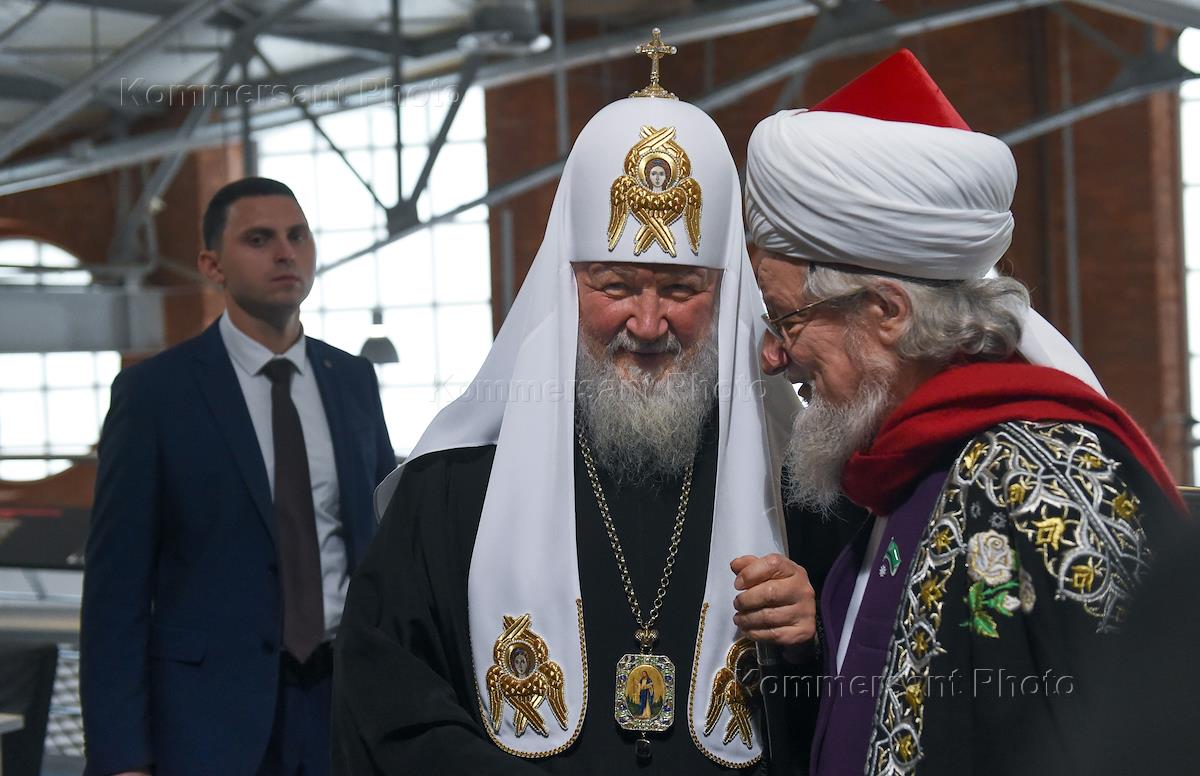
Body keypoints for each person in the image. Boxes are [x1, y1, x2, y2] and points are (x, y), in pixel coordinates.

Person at [333, 33, 826, 774]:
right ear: (568, 287)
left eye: (682, 290)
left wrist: (808, 643)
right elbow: (384, 701)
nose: (648, 323)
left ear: (725, 297)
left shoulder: (800, 490)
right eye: (616, 286)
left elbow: (864, 708)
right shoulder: (455, 487)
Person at [742, 50, 1187, 775]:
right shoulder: (907, 467)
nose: (773, 355)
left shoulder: (1045, 477)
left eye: (786, 319)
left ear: (886, 312)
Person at [80, 177, 395, 776]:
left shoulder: (353, 381)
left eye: (297, 236)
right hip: (208, 719)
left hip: (345, 702)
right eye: (259, 239)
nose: (285, 253)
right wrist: (121, 757)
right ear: (212, 266)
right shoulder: (155, 394)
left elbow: (383, 545)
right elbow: (115, 594)